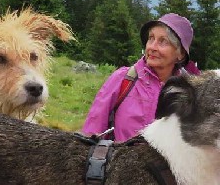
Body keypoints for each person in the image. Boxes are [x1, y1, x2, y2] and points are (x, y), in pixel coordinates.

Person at [82, 13, 198, 141]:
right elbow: (92, 133)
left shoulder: (187, 93)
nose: (152, 47)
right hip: (118, 160)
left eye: (163, 41)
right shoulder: (123, 79)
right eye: (151, 38)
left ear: (180, 54)